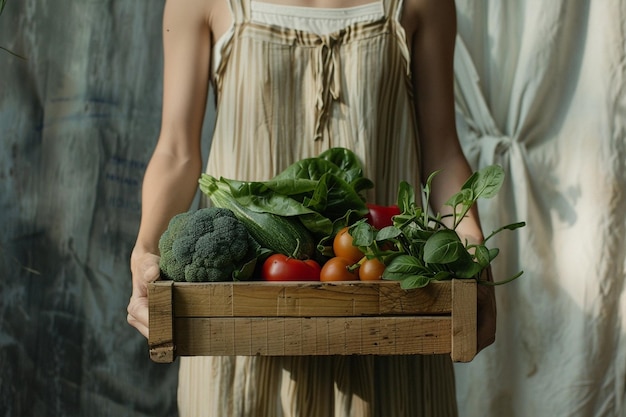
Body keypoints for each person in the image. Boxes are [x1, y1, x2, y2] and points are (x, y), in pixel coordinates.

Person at [127, 0, 496, 415]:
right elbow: (176, 151)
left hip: (387, 316)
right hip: (238, 328)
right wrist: (144, 251)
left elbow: (442, 149)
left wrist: (469, 246)